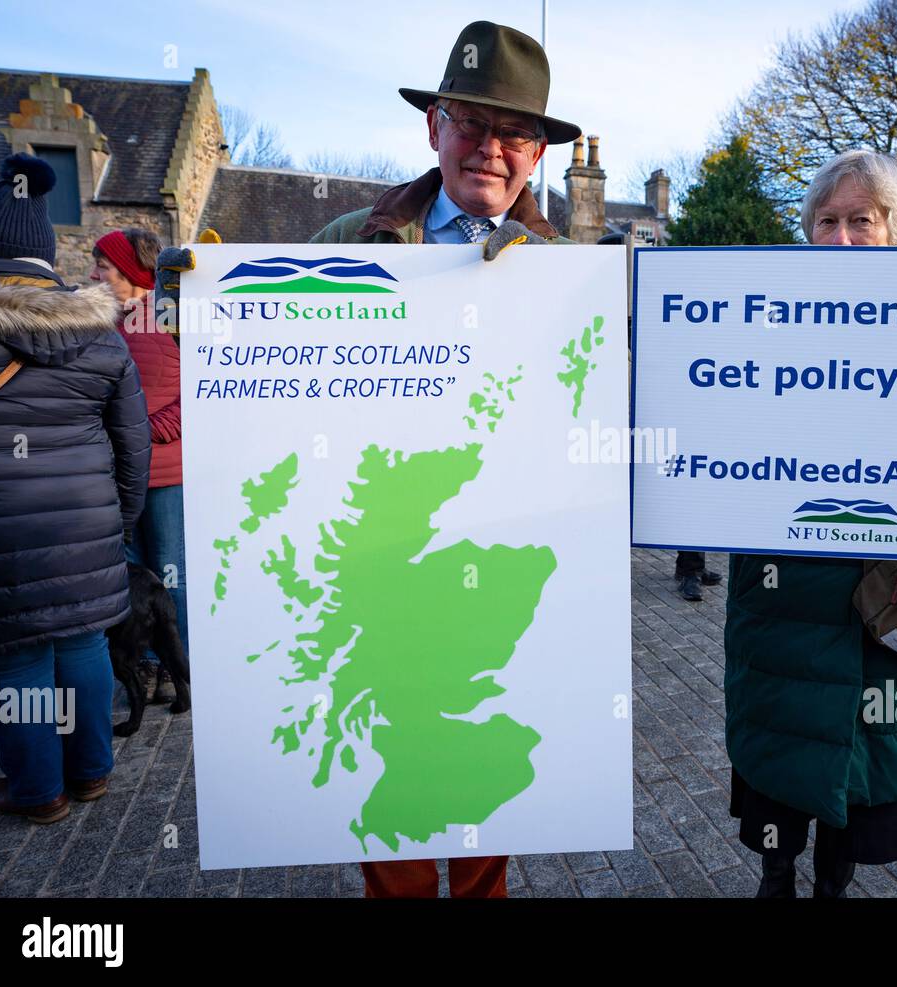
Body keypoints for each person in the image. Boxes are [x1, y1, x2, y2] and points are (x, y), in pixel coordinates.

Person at [310, 20, 580, 899]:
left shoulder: (573, 273)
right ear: (434, 128)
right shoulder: (353, 238)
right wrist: (194, 297)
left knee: (481, 773)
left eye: (514, 133)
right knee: (383, 763)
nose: (489, 149)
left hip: (501, 551)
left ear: (537, 154)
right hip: (378, 548)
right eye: (469, 122)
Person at [723, 149, 897, 898]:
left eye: (862, 222)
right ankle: (775, 874)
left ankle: (831, 887)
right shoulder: (759, 325)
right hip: (781, 590)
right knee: (780, 748)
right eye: (827, 221)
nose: (842, 238)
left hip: (882, 594)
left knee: (862, 761)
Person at [0, 154, 150, 824]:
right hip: (84, 526)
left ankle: (38, 790)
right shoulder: (102, 337)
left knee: (11, 656)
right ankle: (92, 773)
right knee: (83, 641)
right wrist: (117, 522)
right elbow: (131, 443)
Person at [92, 228, 185, 701]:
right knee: (127, 576)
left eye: (102, 265)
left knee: (171, 571)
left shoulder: (173, 317)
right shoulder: (99, 324)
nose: (93, 274)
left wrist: (142, 433)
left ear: (129, 270)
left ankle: (177, 664)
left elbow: (197, 391)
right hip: (113, 474)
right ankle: (144, 665)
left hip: (167, 474)